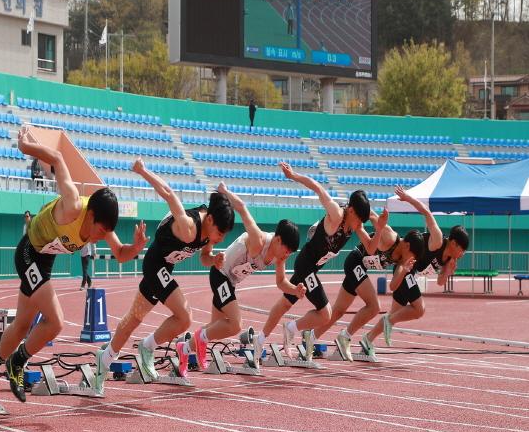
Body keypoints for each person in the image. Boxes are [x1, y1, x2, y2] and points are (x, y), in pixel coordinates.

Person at [0, 126, 148, 403]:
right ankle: (17, 362)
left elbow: (121, 254)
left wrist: (136, 248)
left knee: (21, 325)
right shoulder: (73, 204)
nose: (100, 238)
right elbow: (57, 157)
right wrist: (26, 147)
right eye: (99, 232)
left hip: (44, 261)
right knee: (55, 322)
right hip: (29, 251)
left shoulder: (101, 226)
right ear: (90, 214)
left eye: (105, 234)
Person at [94, 158, 235, 392]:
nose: (220, 238)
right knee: (185, 316)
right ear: (209, 220)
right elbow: (169, 194)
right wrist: (142, 170)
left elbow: (203, 259)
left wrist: (214, 260)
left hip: (164, 268)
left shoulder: (209, 234)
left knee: (134, 318)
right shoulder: (189, 226)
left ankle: (105, 358)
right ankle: (147, 347)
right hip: (155, 263)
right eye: (219, 233)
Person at [259, 163, 388, 360]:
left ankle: (260, 339)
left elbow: (370, 249)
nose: (361, 225)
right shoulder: (336, 215)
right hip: (305, 264)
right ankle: (291, 328)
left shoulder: (353, 226)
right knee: (326, 313)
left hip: (313, 269)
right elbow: (318, 187)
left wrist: (379, 229)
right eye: (360, 220)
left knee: (286, 302)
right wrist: (293, 176)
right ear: (351, 211)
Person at [176, 182, 303, 376]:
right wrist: (225, 191)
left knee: (215, 328)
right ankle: (200, 338)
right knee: (235, 324)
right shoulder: (258, 239)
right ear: (277, 240)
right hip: (219, 274)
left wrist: (295, 290)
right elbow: (242, 209)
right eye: (287, 250)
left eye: (291, 253)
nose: (287, 255)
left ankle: (184, 349)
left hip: (230, 282)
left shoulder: (279, 257)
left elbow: (281, 282)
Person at [361, 188, 469, 357]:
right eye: (462, 250)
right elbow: (426, 212)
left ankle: (367, 340)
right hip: (405, 267)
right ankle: (385, 325)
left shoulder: (449, 260)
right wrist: (407, 198)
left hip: (410, 272)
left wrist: (447, 272)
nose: (462, 254)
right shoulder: (438, 239)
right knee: (419, 310)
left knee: (393, 314)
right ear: (454, 243)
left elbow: (440, 282)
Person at [312, 209, 425, 362]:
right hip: (355, 260)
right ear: (407, 246)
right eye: (413, 255)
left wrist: (404, 270)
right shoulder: (390, 237)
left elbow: (393, 286)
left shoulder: (402, 261)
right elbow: (370, 214)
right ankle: (344, 337)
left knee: (338, 310)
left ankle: (310, 339)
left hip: (360, 268)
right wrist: (360, 218)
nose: (412, 259)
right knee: (374, 306)